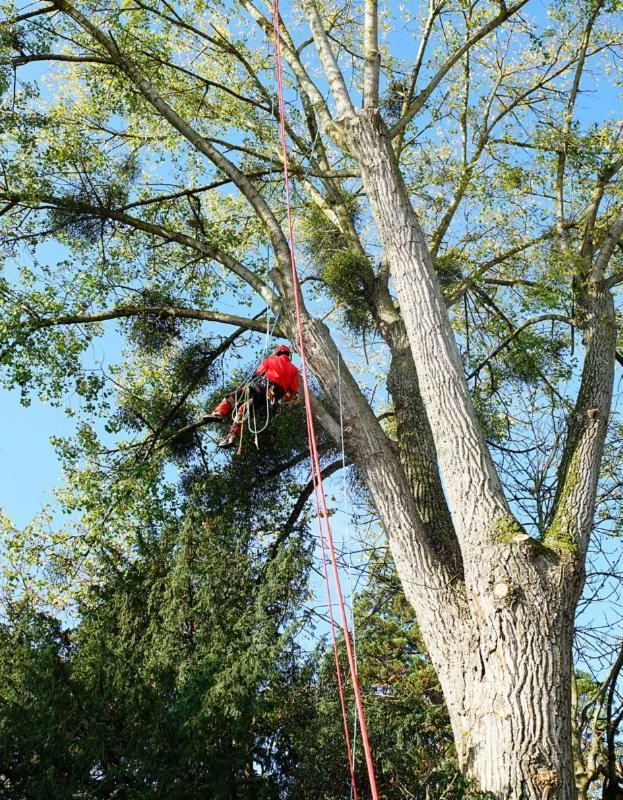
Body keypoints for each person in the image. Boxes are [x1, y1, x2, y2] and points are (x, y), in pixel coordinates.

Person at [203, 344, 299, 448]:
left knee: (235, 396)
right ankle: (232, 437)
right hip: (272, 397)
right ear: (288, 355)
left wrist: (261, 372)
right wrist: (281, 398)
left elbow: (259, 372)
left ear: (278, 352)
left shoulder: (271, 359)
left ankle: (219, 413)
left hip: (263, 386)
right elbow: (291, 392)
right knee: (243, 409)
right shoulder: (294, 369)